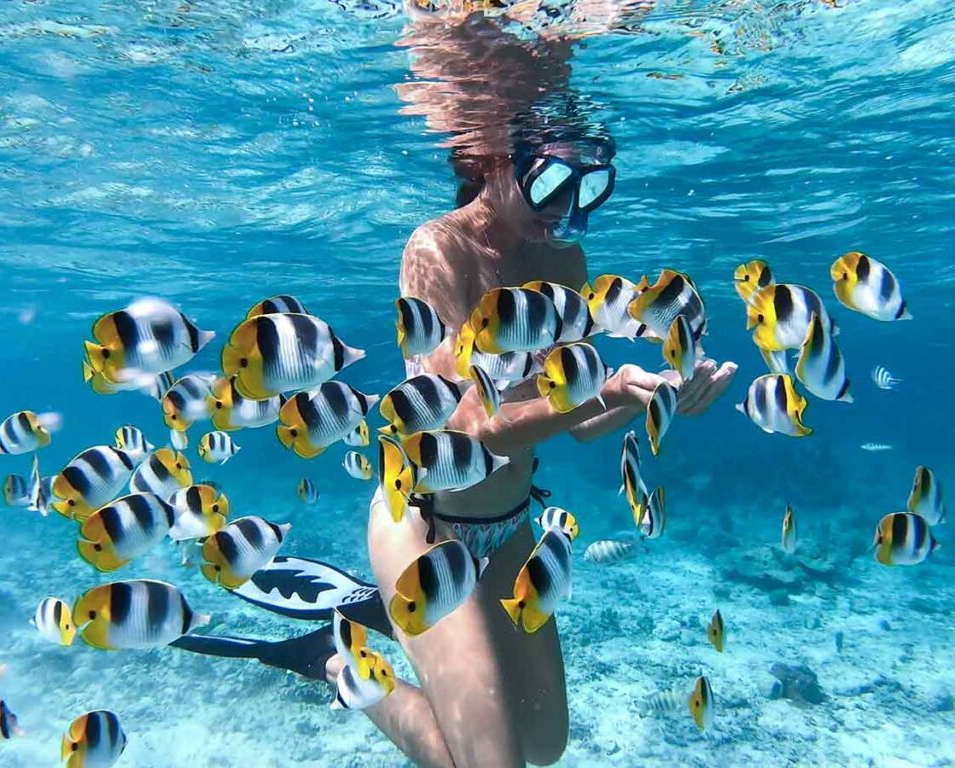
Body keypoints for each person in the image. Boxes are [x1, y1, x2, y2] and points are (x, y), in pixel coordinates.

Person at [176, 7, 735, 768]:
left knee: (544, 745)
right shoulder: (437, 250)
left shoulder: (566, 267)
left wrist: (648, 396)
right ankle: (337, 663)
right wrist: (598, 390)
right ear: (500, 160)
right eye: (549, 186)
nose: (563, 213)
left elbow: (573, 425)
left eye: (585, 192)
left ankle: (344, 657)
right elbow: (462, 433)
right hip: (425, 525)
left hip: (509, 529)